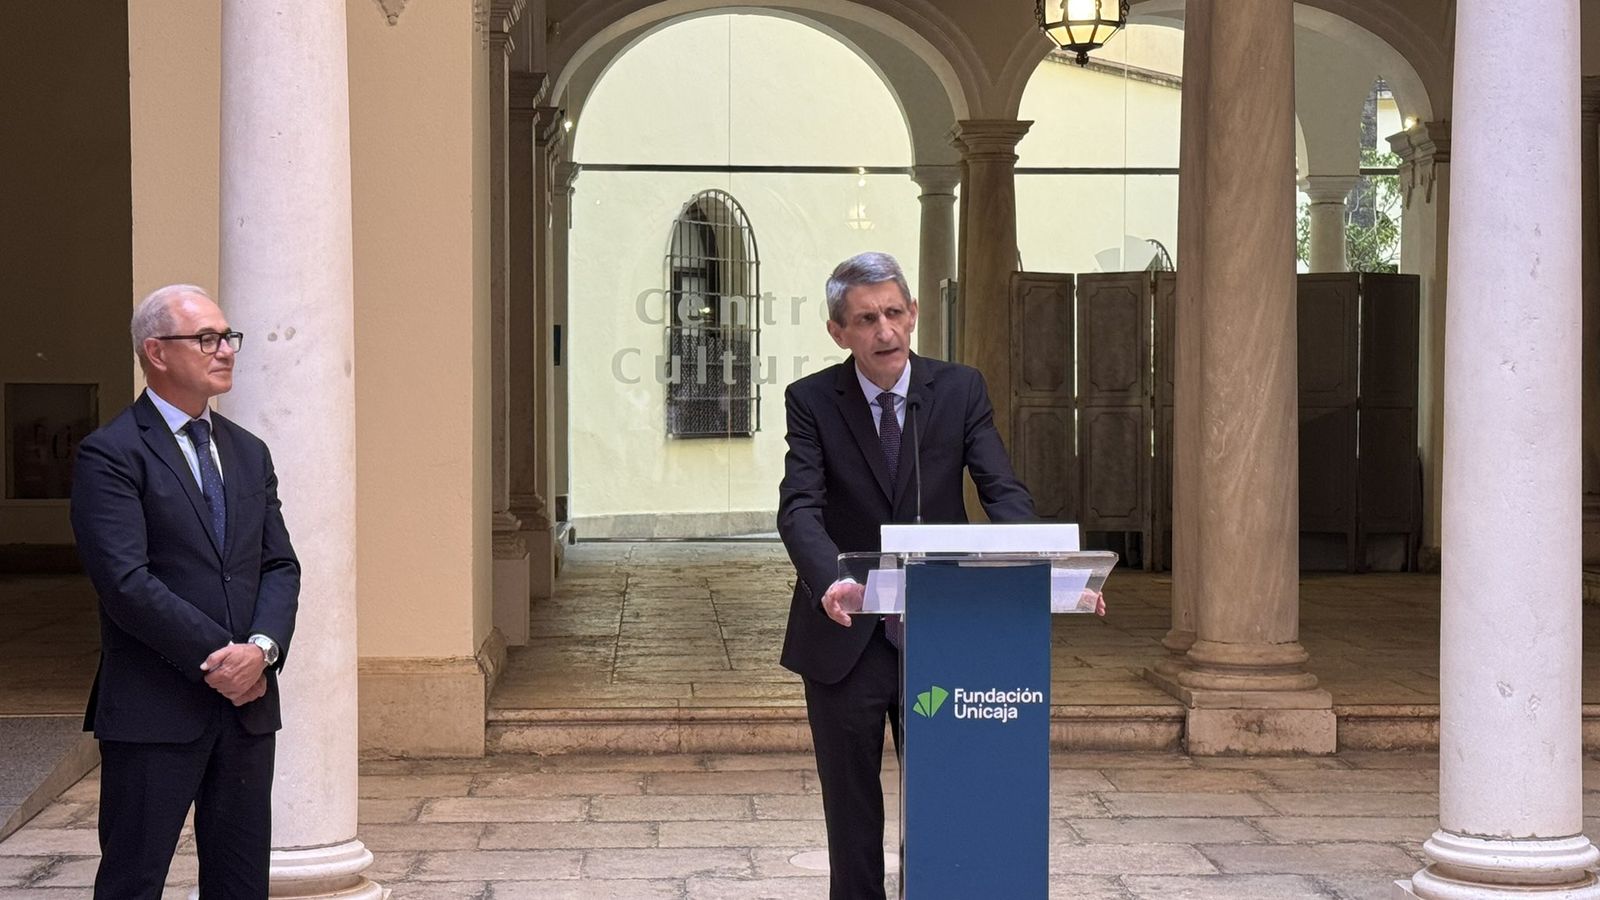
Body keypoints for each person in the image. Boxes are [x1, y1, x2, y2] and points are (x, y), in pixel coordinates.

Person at [777, 251, 1036, 899]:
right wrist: (829, 576)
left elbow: (1000, 489)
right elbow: (799, 506)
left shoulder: (959, 389)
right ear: (838, 331)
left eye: (894, 313)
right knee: (852, 816)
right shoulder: (811, 401)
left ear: (914, 314)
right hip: (846, 634)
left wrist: (1038, 568)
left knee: (947, 811)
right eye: (865, 319)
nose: (884, 331)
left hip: (940, 630)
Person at [71, 284, 299, 899]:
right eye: (207, 338)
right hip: (154, 708)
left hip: (246, 706)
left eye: (228, 337)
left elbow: (281, 566)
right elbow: (125, 582)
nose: (225, 350)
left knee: (240, 882)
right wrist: (220, 658)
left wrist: (260, 650)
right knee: (133, 880)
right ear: (156, 352)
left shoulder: (248, 453)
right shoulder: (111, 454)